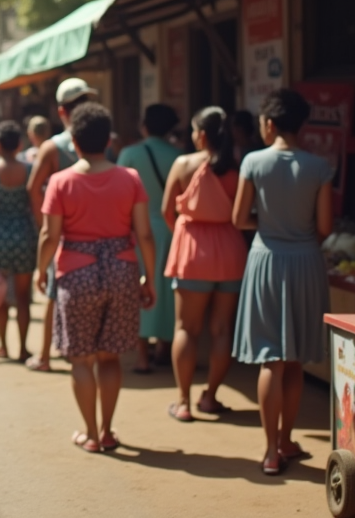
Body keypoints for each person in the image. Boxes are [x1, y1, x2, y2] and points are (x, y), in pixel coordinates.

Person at [36, 102, 155, 453]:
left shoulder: (60, 181)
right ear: (109, 141)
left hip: (76, 273)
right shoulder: (129, 179)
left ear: (73, 141)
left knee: (81, 358)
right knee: (110, 356)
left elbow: (49, 236)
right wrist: (147, 277)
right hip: (122, 271)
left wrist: (40, 270)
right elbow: (144, 234)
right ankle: (107, 430)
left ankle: (89, 433)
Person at [232, 88, 333, 476]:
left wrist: (269, 225)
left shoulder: (253, 162)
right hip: (306, 261)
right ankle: (288, 439)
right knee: (293, 361)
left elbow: (239, 218)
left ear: (269, 123)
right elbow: (324, 227)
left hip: (266, 260)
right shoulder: (319, 166)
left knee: (269, 359)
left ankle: (271, 450)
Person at [161, 107, 247, 422]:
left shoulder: (183, 164)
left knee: (187, 328)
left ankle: (182, 401)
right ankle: (210, 396)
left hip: (191, 251)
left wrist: (186, 235)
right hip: (230, 250)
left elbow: (166, 211)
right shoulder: (237, 166)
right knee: (222, 330)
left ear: (202, 134)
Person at [25, 78, 96, 372]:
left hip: (64, 232)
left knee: (56, 290)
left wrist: (45, 224)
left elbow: (33, 188)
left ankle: (44, 355)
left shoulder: (53, 147)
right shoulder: (105, 140)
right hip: (97, 231)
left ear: (60, 111)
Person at [116, 104, 181, 374]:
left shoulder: (130, 153)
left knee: (140, 287)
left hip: (138, 229)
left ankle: (142, 356)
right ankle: (164, 349)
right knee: (167, 289)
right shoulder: (179, 155)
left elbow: (118, 192)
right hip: (172, 228)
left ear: (145, 125)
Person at [0, 120, 38, 361]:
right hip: (24, 236)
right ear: (19, 145)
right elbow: (35, 207)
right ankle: (23, 348)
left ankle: (3, 346)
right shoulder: (30, 171)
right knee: (23, 297)